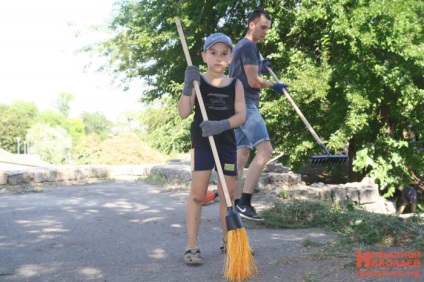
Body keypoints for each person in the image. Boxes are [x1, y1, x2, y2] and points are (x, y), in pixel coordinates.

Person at [177, 33, 246, 265]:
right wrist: (188, 88)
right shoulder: (198, 81)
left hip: (226, 145)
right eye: (213, 53)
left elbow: (241, 115)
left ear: (230, 57)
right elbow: (184, 112)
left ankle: (230, 244)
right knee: (197, 195)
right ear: (204, 55)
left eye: (224, 53)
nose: (219, 58)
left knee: (228, 197)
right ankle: (192, 246)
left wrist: (222, 125)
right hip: (203, 144)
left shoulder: (235, 84)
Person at [229, 9, 288, 221]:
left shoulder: (241, 46)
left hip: (238, 103)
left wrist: (261, 67)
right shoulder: (248, 46)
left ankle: (234, 205)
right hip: (246, 104)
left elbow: (247, 74)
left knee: (241, 155)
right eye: (263, 27)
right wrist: (275, 85)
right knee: (265, 149)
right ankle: (245, 203)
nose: (266, 32)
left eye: (268, 28)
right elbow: (253, 81)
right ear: (251, 24)